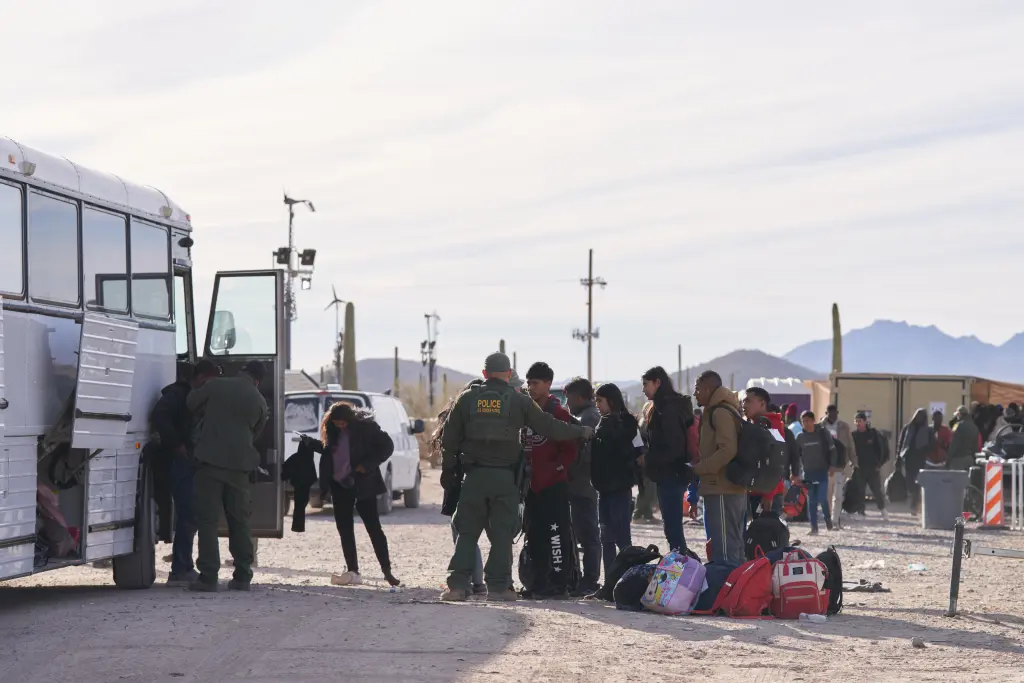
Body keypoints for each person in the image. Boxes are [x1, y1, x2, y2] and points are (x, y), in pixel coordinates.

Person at [439, 353, 593, 602]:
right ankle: (499, 588)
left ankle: (457, 586)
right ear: (509, 374)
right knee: (502, 534)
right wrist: (580, 431)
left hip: (474, 477)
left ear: (485, 373)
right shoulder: (519, 400)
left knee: (467, 532)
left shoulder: (466, 399)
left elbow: (449, 440)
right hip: (505, 478)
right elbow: (549, 426)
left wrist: (448, 473)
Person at [187, 360, 269, 591]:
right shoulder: (260, 400)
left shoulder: (217, 385)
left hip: (210, 464)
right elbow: (256, 432)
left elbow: (191, 403)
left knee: (208, 522)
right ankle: (243, 575)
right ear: (258, 381)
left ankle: (208, 577)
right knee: (239, 521)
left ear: (242, 371)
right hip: (239, 468)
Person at [306, 402, 401, 587]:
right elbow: (330, 451)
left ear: (349, 420)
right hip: (339, 486)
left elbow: (387, 446)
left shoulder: (366, 428)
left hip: (363, 484)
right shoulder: (332, 431)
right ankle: (353, 570)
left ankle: (387, 571)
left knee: (374, 528)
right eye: (337, 424)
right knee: (345, 530)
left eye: (343, 423)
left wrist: (366, 465)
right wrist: (312, 444)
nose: (340, 426)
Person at [150, 359, 221, 586]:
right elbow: (160, 415)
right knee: (189, 514)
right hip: (181, 461)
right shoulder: (179, 394)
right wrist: (176, 444)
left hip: (190, 460)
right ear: (198, 377)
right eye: (208, 381)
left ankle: (183, 566)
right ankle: (181, 568)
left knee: (191, 515)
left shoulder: (193, 395)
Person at [520, 362, 580, 599]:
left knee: (557, 534)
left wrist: (556, 468)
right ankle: (538, 583)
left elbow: (570, 450)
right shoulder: (526, 411)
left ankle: (559, 584)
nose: (531, 387)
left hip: (553, 485)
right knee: (534, 534)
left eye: (535, 383)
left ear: (548, 384)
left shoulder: (558, 414)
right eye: (529, 383)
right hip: (531, 486)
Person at [432, 387, 485, 595]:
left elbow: (447, 451)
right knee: (469, 534)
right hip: (476, 479)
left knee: (464, 535)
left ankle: (471, 581)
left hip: (460, 481)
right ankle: (477, 580)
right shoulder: (485, 418)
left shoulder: (456, 417)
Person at [590, 383, 642, 588]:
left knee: (621, 537)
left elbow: (638, 450)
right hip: (604, 488)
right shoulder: (602, 423)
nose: (597, 405)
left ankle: (629, 582)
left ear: (611, 401)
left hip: (619, 488)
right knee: (606, 537)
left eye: (600, 401)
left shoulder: (627, 423)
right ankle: (610, 584)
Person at [693, 371, 746, 565]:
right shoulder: (722, 410)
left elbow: (727, 450)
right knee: (733, 547)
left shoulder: (720, 412)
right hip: (725, 487)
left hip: (722, 488)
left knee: (725, 550)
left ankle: (728, 582)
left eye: (698, 389)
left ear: (708, 389)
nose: (695, 394)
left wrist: (702, 467)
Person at [641, 366, 694, 553]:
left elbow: (674, 447)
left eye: (646, 384)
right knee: (672, 528)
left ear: (658, 382)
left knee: (673, 529)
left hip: (672, 474)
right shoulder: (662, 407)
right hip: (669, 474)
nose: (643, 389)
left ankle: (681, 564)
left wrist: (649, 459)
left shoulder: (668, 409)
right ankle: (680, 561)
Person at [564, 377, 602, 596]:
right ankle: (580, 578)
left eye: (568, 398)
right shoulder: (584, 416)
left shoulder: (589, 418)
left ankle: (590, 579)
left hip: (584, 486)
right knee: (581, 534)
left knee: (588, 535)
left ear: (578, 397)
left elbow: (586, 455)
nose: (566, 403)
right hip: (578, 485)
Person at [740, 387, 787, 517]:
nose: (744, 405)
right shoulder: (752, 424)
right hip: (754, 490)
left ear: (762, 404)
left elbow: (776, 460)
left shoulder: (772, 425)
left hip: (767, 493)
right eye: (743, 401)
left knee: (766, 528)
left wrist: (768, 495)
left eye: (748, 401)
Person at [796, 411, 837, 535]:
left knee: (822, 497)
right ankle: (814, 527)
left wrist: (832, 466)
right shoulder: (800, 437)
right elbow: (796, 456)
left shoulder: (823, 434)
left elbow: (833, 450)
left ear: (813, 421)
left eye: (808, 420)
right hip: (808, 472)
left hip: (822, 471)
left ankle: (827, 519)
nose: (806, 423)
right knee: (811, 500)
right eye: (803, 421)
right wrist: (796, 472)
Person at [821, 405, 856, 529]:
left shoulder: (844, 426)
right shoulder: (821, 427)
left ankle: (835, 520)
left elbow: (850, 444)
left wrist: (853, 461)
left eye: (834, 413)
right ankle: (829, 518)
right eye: (829, 413)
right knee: (827, 495)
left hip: (840, 465)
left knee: (838, 495)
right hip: (825, 465)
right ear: (826, 413)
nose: (832, 416)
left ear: (837, 413)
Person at [851, 412, 889, 521]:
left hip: (873, 467)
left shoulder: (873, 434)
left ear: (865, 421)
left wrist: (879, 464)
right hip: (859, 467)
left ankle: (883, 510)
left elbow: (881, 449)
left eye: (860, 421)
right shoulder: (853, 435)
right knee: (860, 490)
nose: (858, 423)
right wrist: (852, 462)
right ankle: (861, 511)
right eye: (856, 421)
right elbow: (850, 451)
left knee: (876, 490)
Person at [898, 408, 935, 513]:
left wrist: (925, 450)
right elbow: (901, 443)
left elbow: (932, 445)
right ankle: (915, 500)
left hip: (921, 459)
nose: (919, 418)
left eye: (922, 416)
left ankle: (914, 505)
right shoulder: (908, 428)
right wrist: (898, 458)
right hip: (908, 458)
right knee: (909, 482)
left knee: (918, 482)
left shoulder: (928, 430)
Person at [947, 405, 981, 471]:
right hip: (969, 459)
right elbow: (975, 446)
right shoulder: (974, 427)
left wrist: (948, 459)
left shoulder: (957, 425)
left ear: (959, 414)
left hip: (957, 460)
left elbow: (953, 443)